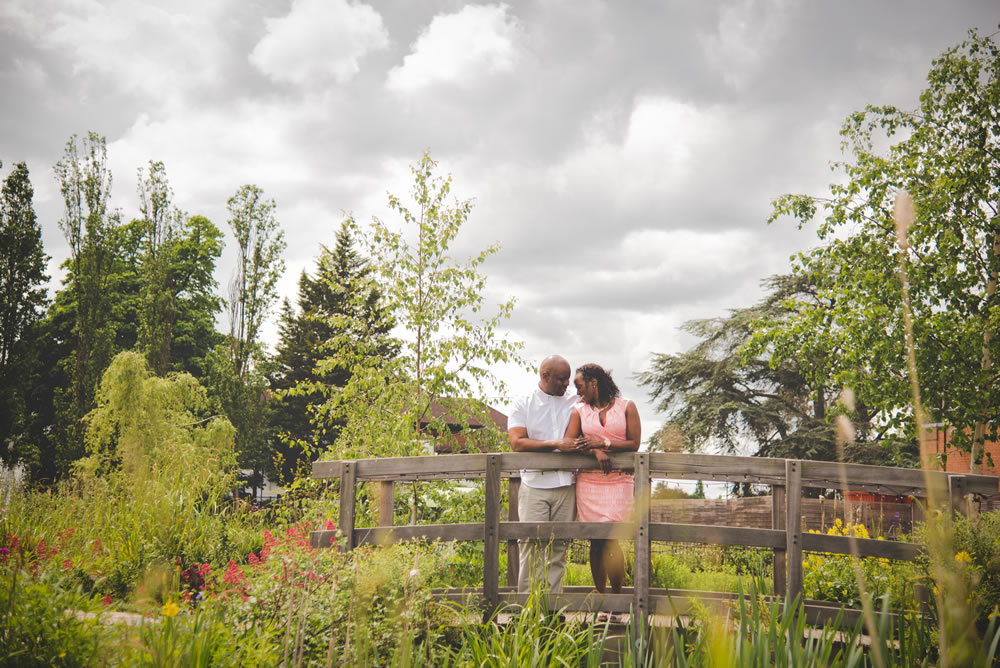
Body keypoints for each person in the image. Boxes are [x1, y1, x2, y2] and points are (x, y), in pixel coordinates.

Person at [564, 363, 641, 596]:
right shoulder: (579, 410)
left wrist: (603, 443)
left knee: (611, 540)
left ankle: (616, 598)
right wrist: (594, 452)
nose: (577, 391)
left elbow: (634, 444)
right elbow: (570, 442)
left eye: (579, 386)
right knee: (596, 541)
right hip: (589, 482)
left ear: (593, 383)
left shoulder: (627, 407)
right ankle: (602, 598)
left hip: (619, 481)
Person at [507, 355, 582, 593]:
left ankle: (553, 612)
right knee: (530, 547)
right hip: (534, 485)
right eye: (561, 379)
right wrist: (556, 443)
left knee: (559, 549)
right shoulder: (523, 403)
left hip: (566, 485)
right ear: (545, 376)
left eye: (568, 379)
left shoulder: (576, 402)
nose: (566, 385)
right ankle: (528, 613)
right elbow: (517, 443)